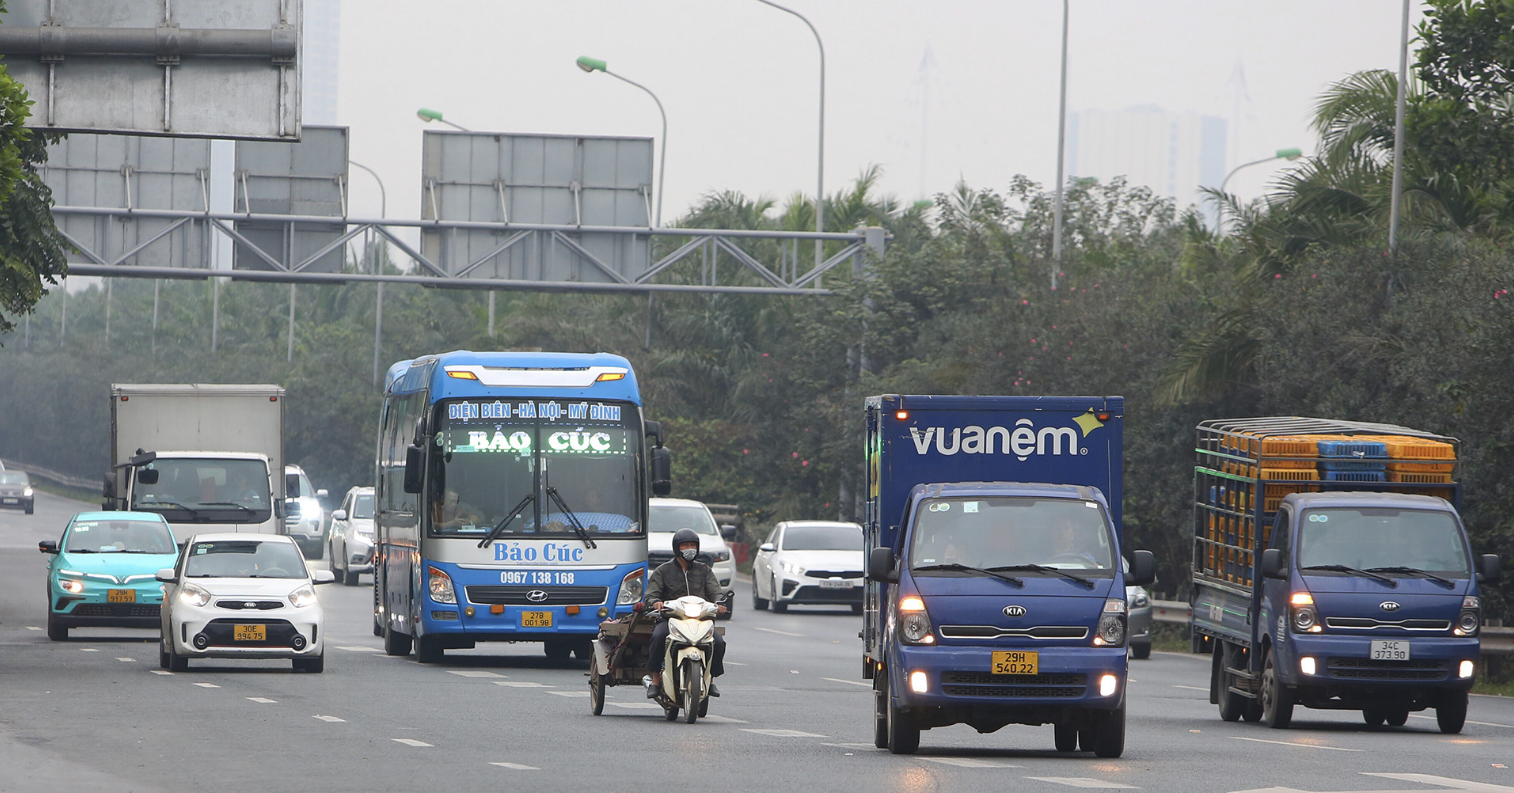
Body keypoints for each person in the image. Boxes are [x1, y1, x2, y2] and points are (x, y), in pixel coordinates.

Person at [643, 528, 728, 697]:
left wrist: (719, 603)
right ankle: (655, 679)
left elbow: (716, 592)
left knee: (718, 642)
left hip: (700, 620)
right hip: (671, 619)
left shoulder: (704, 570)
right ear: (677, 548)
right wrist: (656, 602)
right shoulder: (663, 571)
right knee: (658, 637)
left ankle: (710, 680)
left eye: (692, 545)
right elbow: (651, 595)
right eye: (685, 545)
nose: (690, 549)